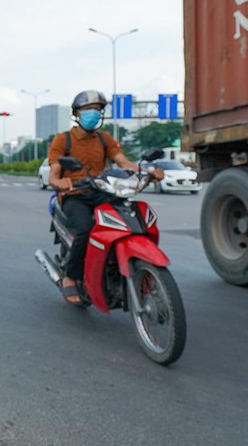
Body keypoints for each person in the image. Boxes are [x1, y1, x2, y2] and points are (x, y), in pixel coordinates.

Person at [47, 89, 163, 304]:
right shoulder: (63, 140)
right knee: (84, 230)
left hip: (103, 191)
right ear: (77, 113)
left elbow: (124, 163)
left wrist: (148, 172)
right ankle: (71, 277)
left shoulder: (105, 138)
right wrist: (60, 182)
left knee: (132, 219)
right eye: (88, 109)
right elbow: (54, 173)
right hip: (75, 195)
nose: (93, 113)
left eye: (97, 109)